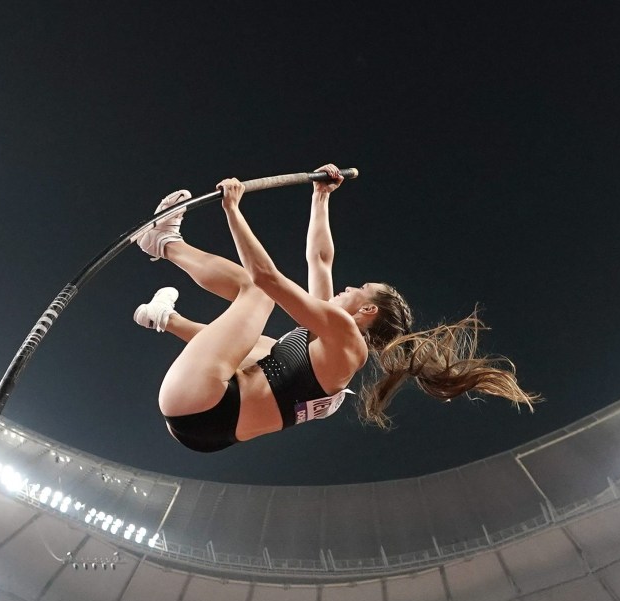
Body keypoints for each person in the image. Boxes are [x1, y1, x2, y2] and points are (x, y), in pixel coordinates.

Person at [131, 164, 537, 452]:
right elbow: (320, 260)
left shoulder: (346, 341)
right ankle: (167, 319)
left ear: (367, 313)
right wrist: (320, 197)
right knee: (267, 345)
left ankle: (164, 243)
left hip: (204, 405)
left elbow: (268, 278)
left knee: (257, 293)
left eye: (361, 289)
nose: (348, 286)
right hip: (208, 423)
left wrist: (233, 211)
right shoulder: (332, 342)